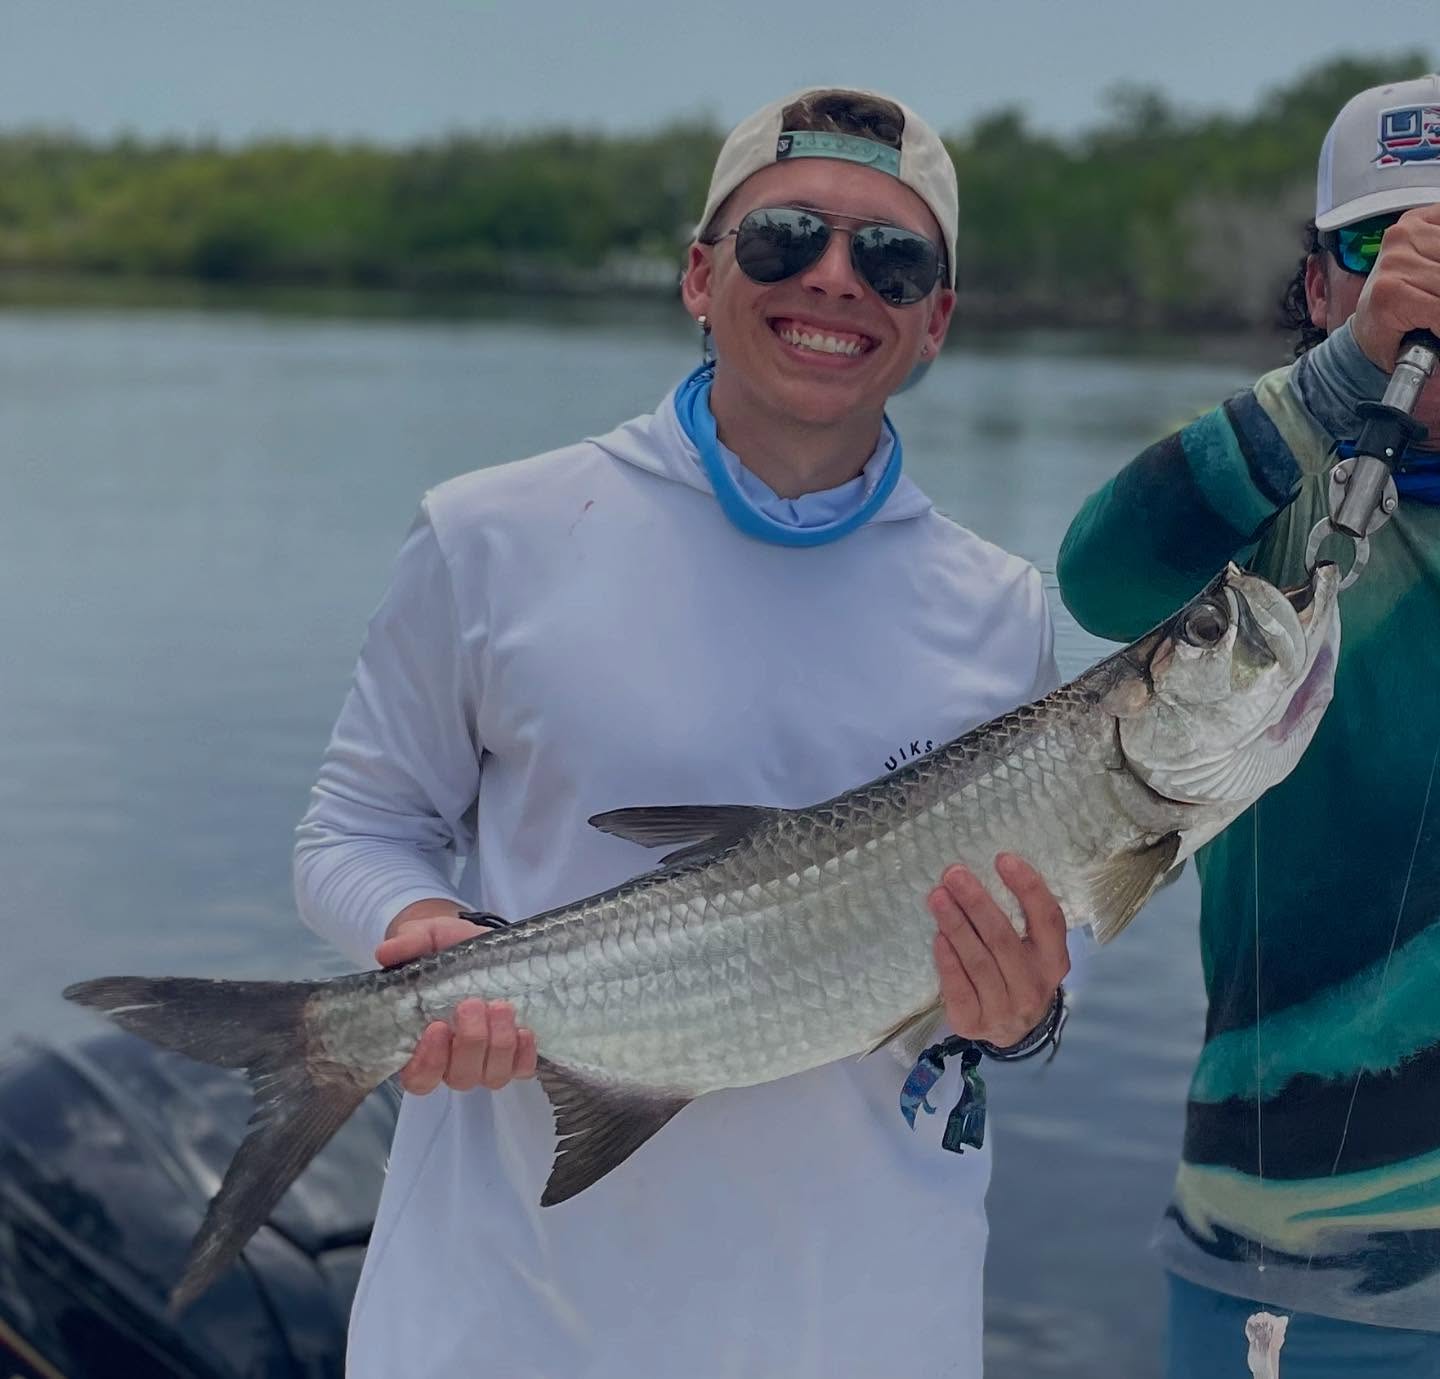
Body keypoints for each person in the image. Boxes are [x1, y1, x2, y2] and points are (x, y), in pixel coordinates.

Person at [295, 87, 1071, 1379]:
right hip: (504, 1328)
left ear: (934, 321)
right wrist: (411, 932)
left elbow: (1055, 954)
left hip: (871, 1327)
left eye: (890, 258)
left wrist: (1026, 1010)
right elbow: (356, 829)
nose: (833, 281)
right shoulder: (490, 533)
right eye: (782, 241)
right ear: (698, 277)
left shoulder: (1001, 608)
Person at [1056, 74, 1440, 1379]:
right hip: (1284, 1286)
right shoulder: (1281, 524)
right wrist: (1340, 384)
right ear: (1322, 288)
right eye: (1373, 248)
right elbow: (1099, 577)